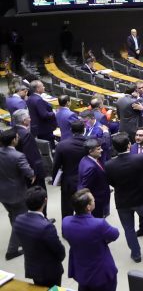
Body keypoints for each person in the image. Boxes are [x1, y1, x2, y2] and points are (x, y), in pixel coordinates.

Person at [105, 133, 143, 262]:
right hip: (142, 198)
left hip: (122, 201)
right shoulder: (140, 158)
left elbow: (111, 182)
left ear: (114, 147)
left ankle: (136, 255)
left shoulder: (108, 165)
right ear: (129, 145)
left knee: (129, 228)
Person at [62, 189, 120, 291]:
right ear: (88, 207)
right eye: (93, 200)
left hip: (81, 271)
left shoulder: (66, 221)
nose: (95, 201)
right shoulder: (99, 224)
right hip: (101, 273)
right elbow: (115, 234)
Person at [13, 186, 66, 287]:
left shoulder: (19, 219)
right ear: (45, 200)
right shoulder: (47, 227)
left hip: (32, 267)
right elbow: (60, 252)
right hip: (50, 272)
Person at [0, 128, 35, 260]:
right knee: (19, 220)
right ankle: (12, 250)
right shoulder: (18, 156)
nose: (18, 138)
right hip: (17, 193)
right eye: (17, 137)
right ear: (13, 140)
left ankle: (19, 238)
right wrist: (33, 174)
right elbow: (28, 172)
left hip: (3, 193)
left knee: (12, 215)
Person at [51, 120, 87, 218]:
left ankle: (67, 227)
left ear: (71, 130)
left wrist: (55, 180)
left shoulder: (62, 145)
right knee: (85, 209)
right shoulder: (89, 144)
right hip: (86, 180)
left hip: (68, 181)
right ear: (84, 130)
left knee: (67, 209)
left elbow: (56, 165)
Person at [12, 110, 46, 190]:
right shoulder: (26, 134)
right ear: (24, 121)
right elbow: (30, 155)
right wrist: (33, 173)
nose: (30, 119)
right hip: (32, 171)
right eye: (29, 118)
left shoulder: (13, 130)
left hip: (19, 170)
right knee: (39, 192)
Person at [77, 138, 111, 218]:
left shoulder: (85, 159)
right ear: (90, 151)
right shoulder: (91, 168)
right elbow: (85, 187)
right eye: (98, 149)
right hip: (96, 202)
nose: (101, 150)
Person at [27, 80, 57, 149]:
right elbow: (44, 115)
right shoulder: (38, 100)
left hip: (36, 127)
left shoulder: (30, 98)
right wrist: (54, 113)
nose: (44, 87)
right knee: (50, 147)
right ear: (37, 89)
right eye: (42, 86)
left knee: (43, 147)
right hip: (44, 129)